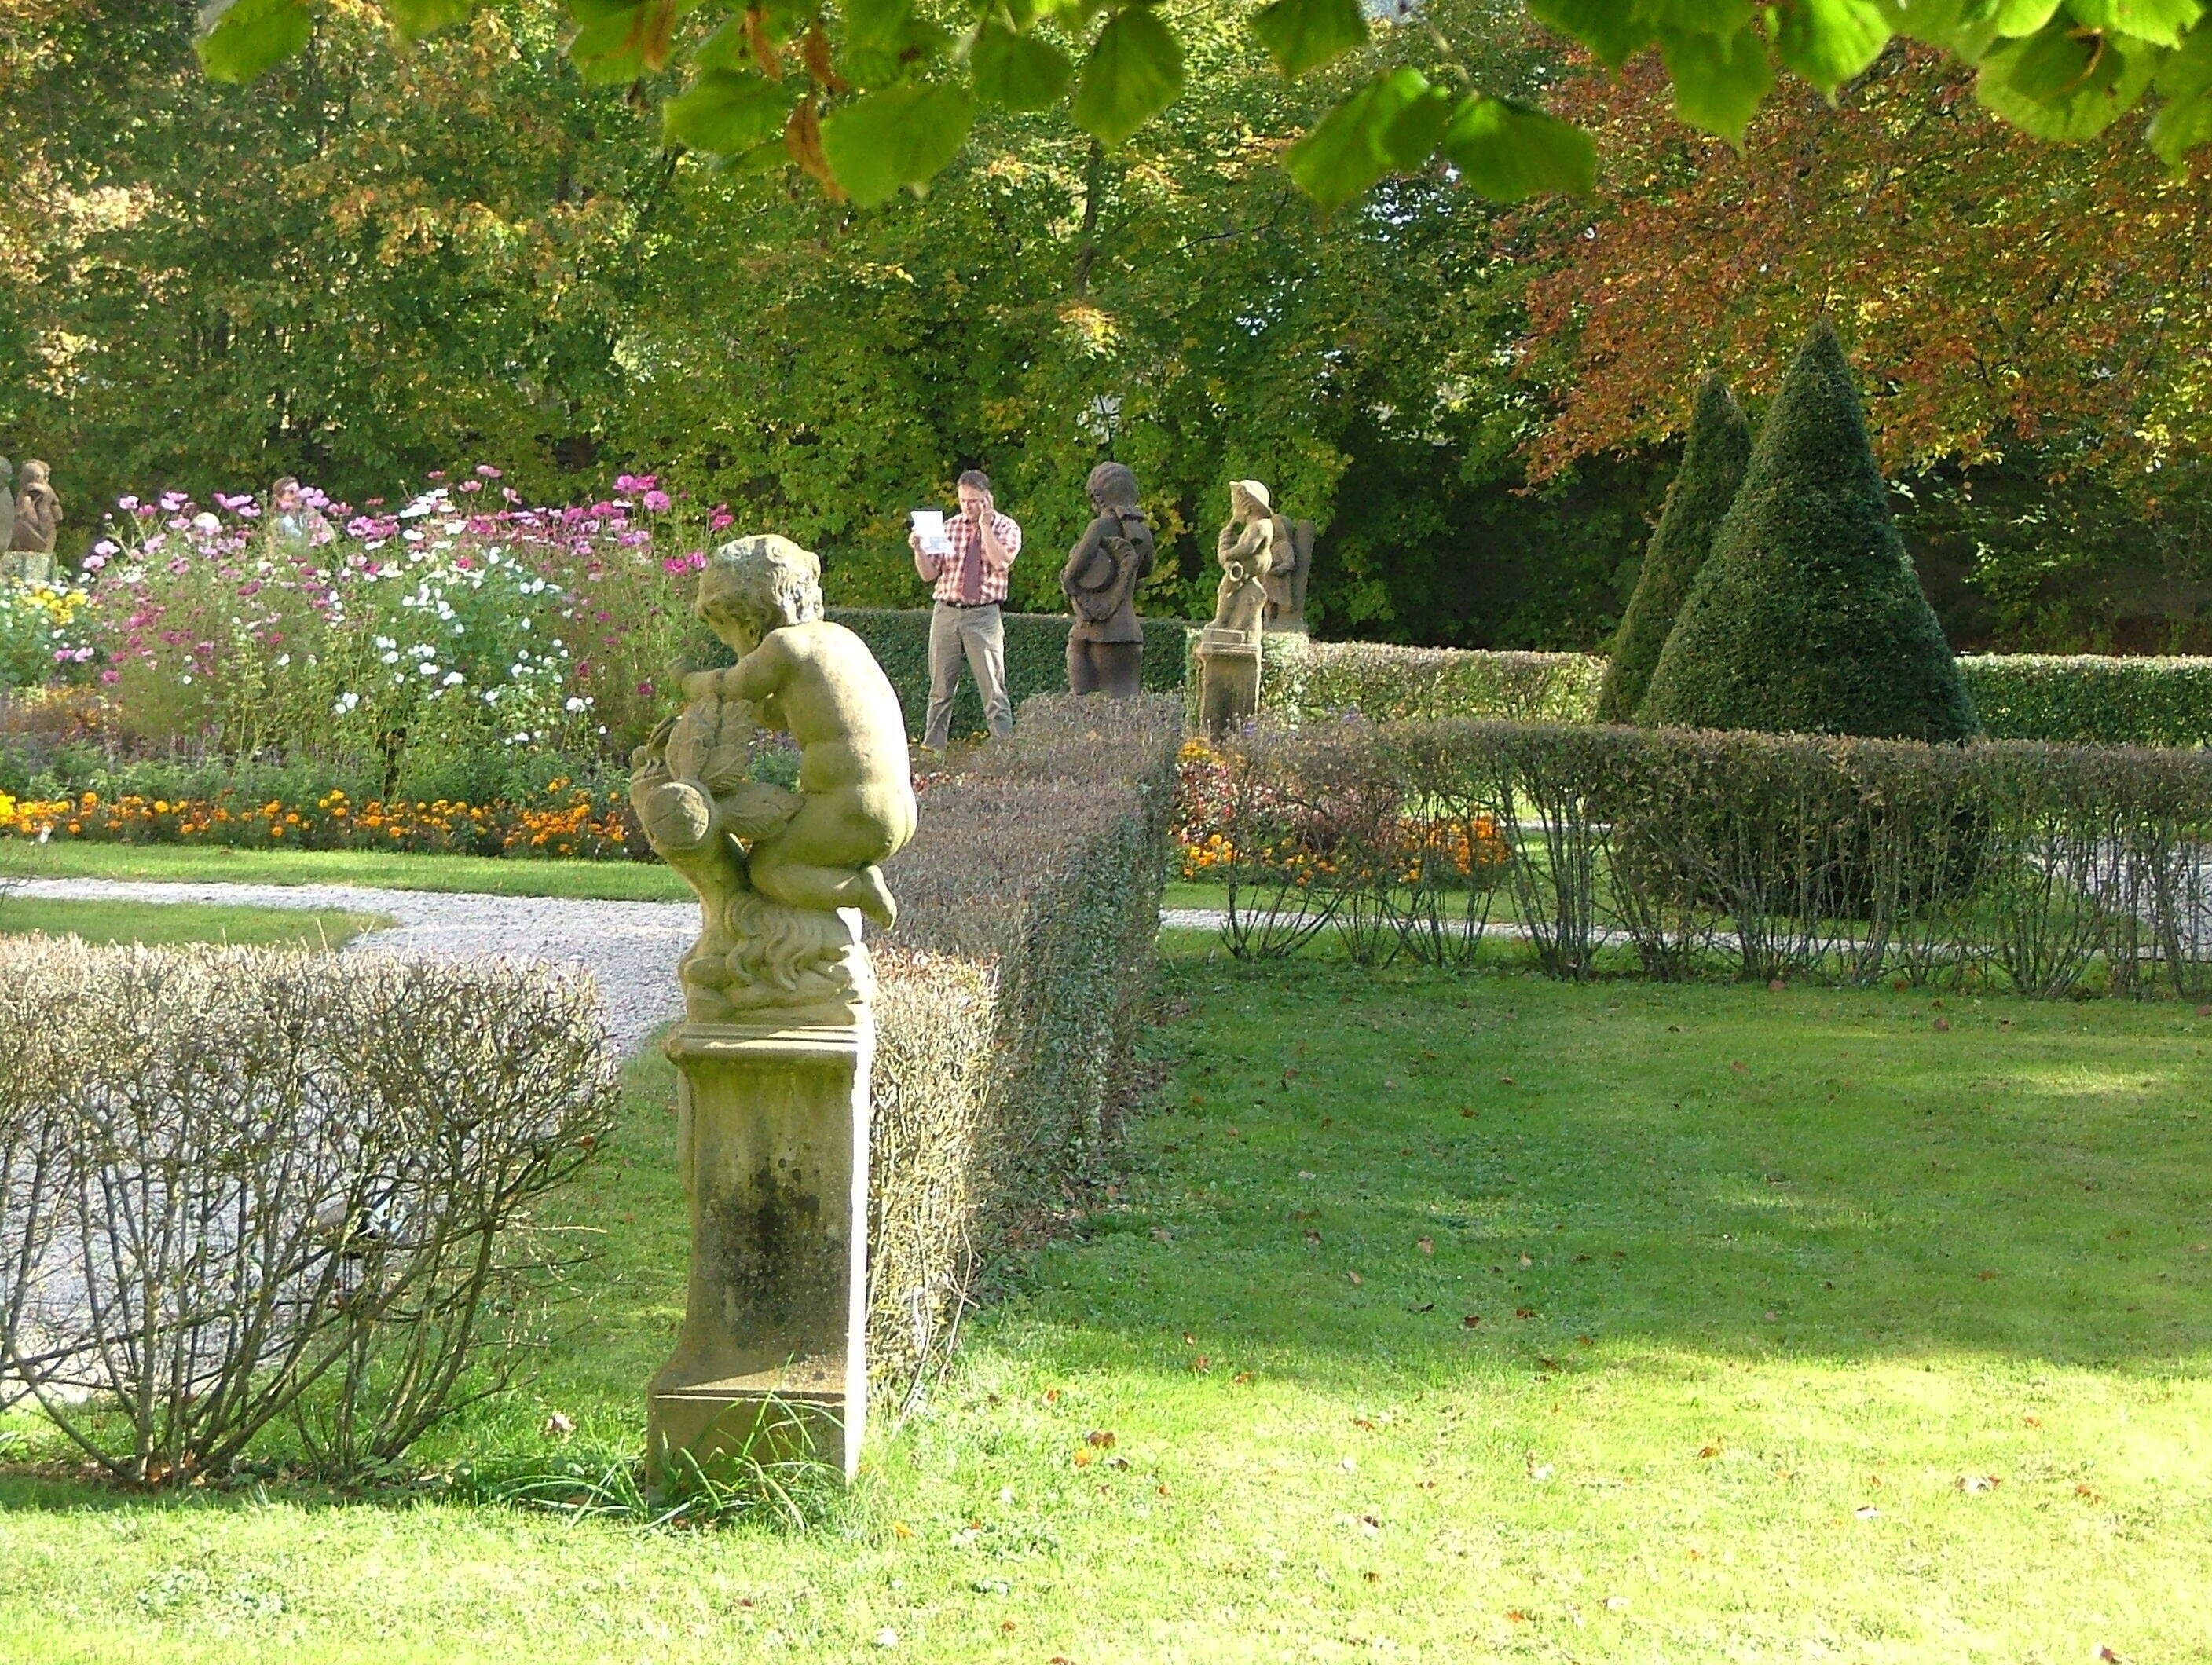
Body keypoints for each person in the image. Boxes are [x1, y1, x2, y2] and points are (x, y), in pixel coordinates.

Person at [670, 535, 917, 928]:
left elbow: (730, 686)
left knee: (767, 870)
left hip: (848, 806)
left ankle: (858, 890)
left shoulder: (785, 647)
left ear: (752, 622)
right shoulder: (839, 639)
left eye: (726, 632)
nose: (727, 643)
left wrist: (686, 681)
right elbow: (776, 714)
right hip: (896, 805)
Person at [909, 469, 1021, 749]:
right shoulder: (947, 527)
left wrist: (984, 527)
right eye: (963, 501)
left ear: (988, 499)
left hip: (983, 615)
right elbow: (928, 575)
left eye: (973, 501)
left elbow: (1002, 562)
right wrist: (919, 550)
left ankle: (1004, 751)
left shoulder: (1007, 528)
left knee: (993, 690)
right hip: (946, 611)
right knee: (940, 689)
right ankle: (933, 747)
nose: (967, 507)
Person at [1060, 460, 1155, 697]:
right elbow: (1145, 572)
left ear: (1099, 497)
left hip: (1093, 630)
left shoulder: (1100, 527)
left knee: (1085, 709)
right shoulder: (1142, 532)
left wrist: (1083, 599)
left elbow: (1071, 575)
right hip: (1128, 631)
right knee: (1126, 708)